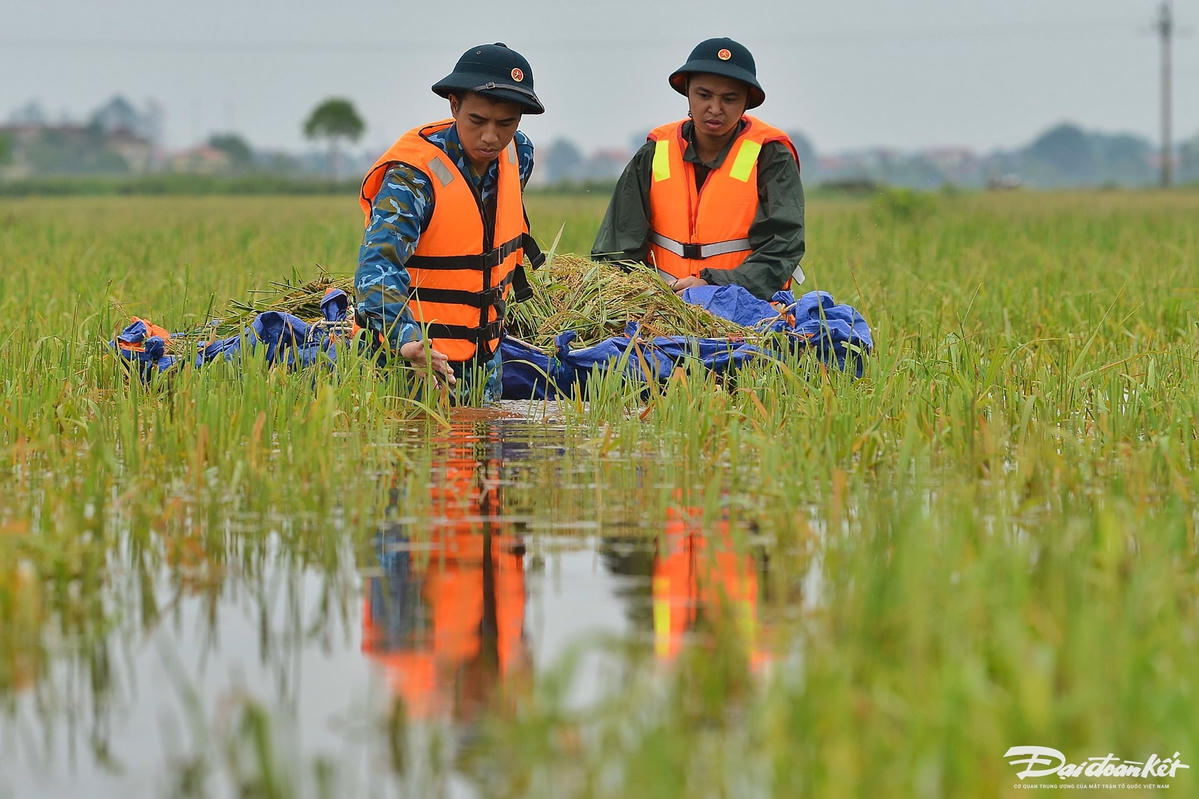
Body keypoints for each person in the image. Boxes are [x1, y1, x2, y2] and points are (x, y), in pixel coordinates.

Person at [355, 43, 545, 403]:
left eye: (506, 123)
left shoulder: (520, 155)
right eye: (478, 121)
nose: (491, 137)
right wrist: (406, 340)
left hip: (485, 359)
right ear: (454, 105)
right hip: (409, 362)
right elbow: (376, 268)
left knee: (487, 454)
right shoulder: (413, 178)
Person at [591, 37, 805, 301]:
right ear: (687, 91)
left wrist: (712, 286)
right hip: (660, 305)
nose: (715, 109)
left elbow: (781, 249)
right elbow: (616, 252)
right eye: (704, 95)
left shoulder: (771, 155)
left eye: (729, 98)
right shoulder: (655, 151)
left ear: (747, 101)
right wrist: (644, 299)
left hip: (744, 305)